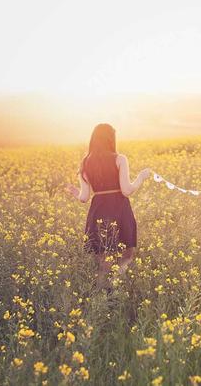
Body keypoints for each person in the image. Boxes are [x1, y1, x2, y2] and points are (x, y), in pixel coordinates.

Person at [66, 123, 151, 289]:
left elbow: (84, 197)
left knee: (103, 262)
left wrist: (75, 192)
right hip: (119, 209)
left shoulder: (85, 162)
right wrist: (141, 177)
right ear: (110, 138)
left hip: (98, 211)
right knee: (126, 255)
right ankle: (116, 290)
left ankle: (103, 294)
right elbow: (126, 190)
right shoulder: (120, 159)